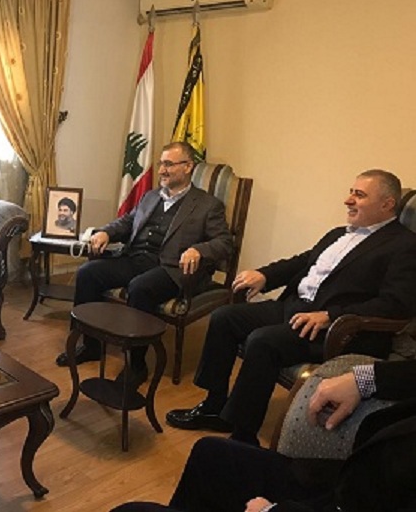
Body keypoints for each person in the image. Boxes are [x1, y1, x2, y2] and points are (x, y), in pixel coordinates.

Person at [166, 169, 416, 446]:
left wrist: (330, 316)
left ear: (387, 204)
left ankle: (242, 433)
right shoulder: (338, 234)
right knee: (225, 317)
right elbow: (302, 262)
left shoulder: (404, 245)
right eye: (350, 192)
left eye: (359, 195)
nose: (348, 200)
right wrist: (264, 275)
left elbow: (396, 304)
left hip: (338, 330)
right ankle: (214, 405)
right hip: (295, 307)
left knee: (263, 342)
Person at [110, 358, 416, 512]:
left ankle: (237, 422)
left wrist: (273, 511)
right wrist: (363, 379)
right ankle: (218, 411)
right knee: (210, 453)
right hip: (344, 479)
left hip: (353, 500)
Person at [56, 142, 233, 389]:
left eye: (169, 164)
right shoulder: (150, 196)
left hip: (171, 269)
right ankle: (91, 346)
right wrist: (105, 232)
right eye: (161, 163)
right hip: (135, 259)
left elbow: (224, 243)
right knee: (88, 273)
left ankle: (136, 365)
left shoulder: (207, 205)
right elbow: (127, 222)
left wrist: (199, 250)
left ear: (188, 167)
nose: (161, 170)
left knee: (140, 288)